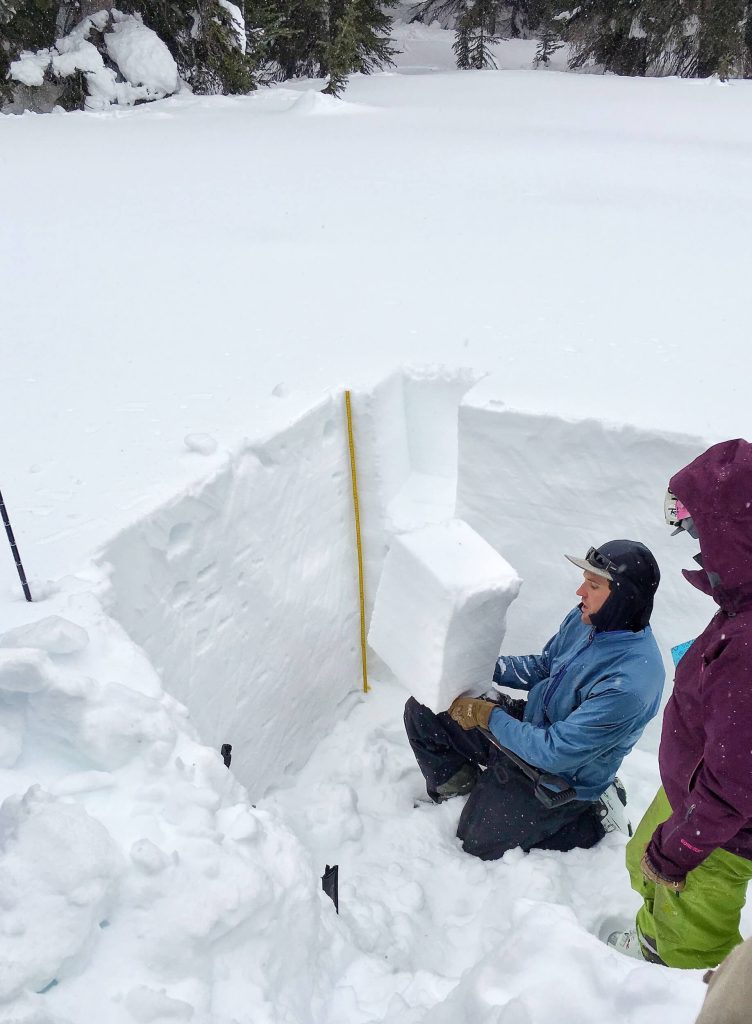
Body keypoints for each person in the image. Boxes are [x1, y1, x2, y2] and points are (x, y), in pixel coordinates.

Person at [403, 539, 665, 861]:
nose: (580, 592)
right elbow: (545, 666)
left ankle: (590, 816)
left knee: (476, 842)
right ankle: (463, 791)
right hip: (530, 726)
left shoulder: (630, 684)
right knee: (427, 708)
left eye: (593, 585)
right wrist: (481, 665)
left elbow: (553, 752)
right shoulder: (589, 619)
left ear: (624, 599)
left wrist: (487, 716)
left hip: (561, 775)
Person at [609, 439, 752, 969]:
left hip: (722, 834)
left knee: (689, 931)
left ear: (736, 534)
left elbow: (737, 783)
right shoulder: (742, 607)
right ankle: (654, 931)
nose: (697, 549)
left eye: (701, 534)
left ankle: (671, 976)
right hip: (693, 797)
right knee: (638, 859)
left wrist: (681, 852)